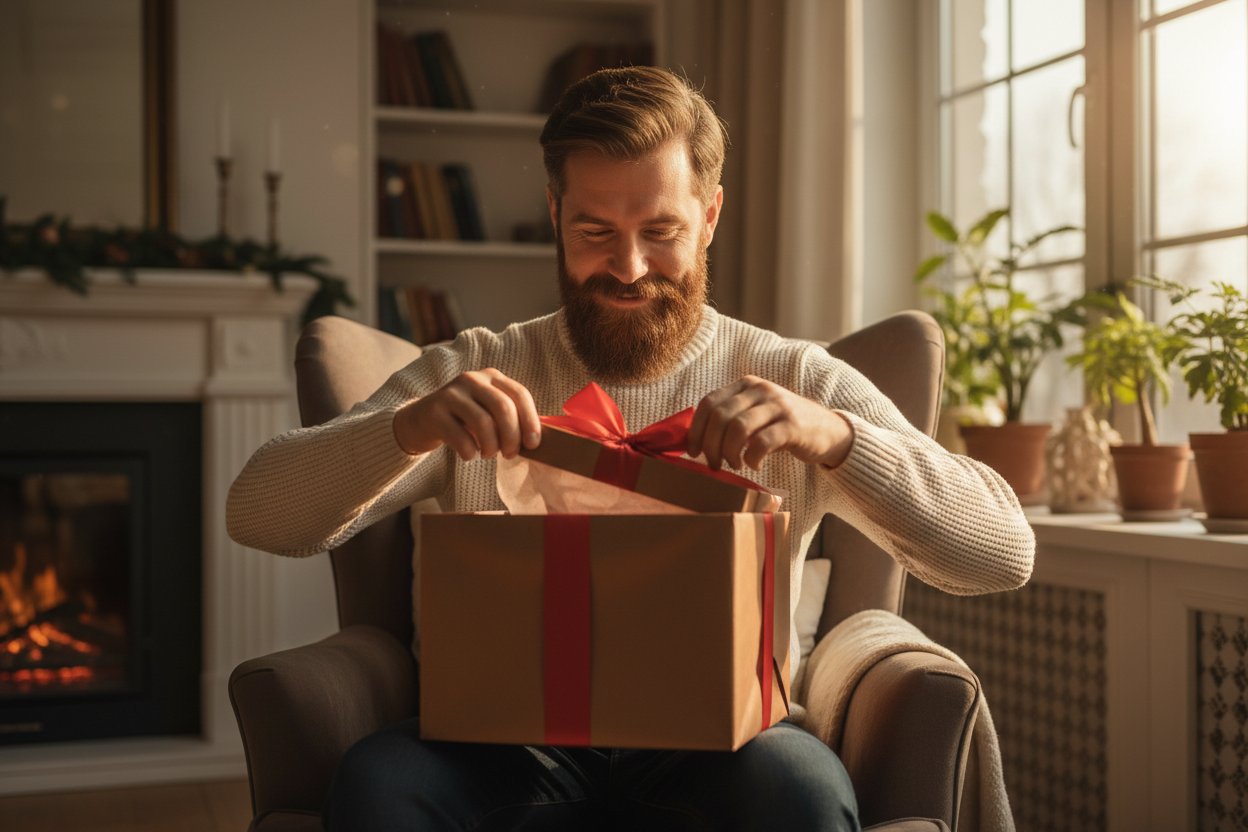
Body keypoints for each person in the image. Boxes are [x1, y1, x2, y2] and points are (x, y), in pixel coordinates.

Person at [227, 65, 1034, 832]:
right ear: (553, 213)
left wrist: (837, 439)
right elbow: (257, 515)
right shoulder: (473, 369)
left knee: (803, 790)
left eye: (661, 231)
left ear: (710, 215)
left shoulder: (794, 378)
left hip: (731, 747)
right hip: (493, 745)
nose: (629, 266)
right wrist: (405, 429)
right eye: (593, 231)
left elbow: (1004, 551)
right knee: (378, 780)